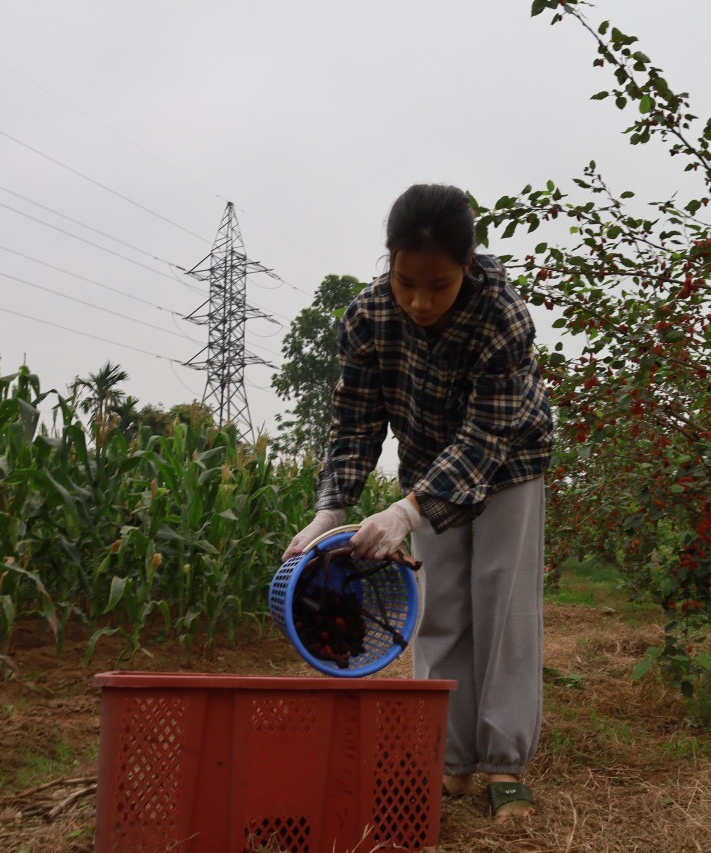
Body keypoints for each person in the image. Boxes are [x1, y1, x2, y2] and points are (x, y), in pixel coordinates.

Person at [283, 183, 553, 822]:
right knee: (439, 610)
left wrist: (406, 512)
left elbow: (487, 437)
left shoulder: (501, 319)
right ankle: (449, 760)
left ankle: (505, 763)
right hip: (428, 466)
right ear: (389, 263)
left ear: (468, 265)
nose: (420, 301)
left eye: (439, 285)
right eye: (407, 282)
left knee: (502, 605)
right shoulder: (370, 317)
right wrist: (333, 505)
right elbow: (354, 418)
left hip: (510, 461)